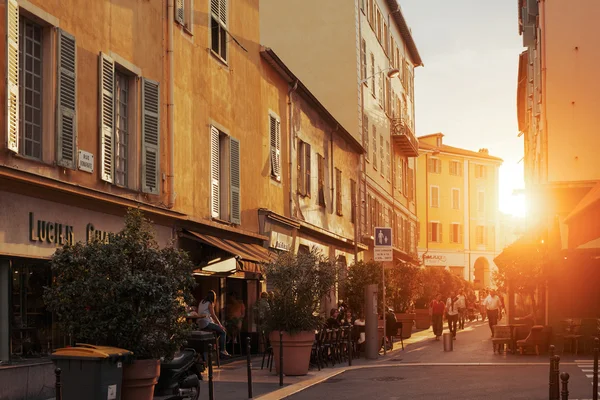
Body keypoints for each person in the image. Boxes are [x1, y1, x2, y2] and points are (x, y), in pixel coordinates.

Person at [197, 290, 230, 357]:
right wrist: (220, 325)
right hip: (206, 323)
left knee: (216, 332)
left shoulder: (202, 301)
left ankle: (213, 344)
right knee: (223, 332)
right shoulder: (210, 303)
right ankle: (222, 350)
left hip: (200, 323)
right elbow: (213, 315)